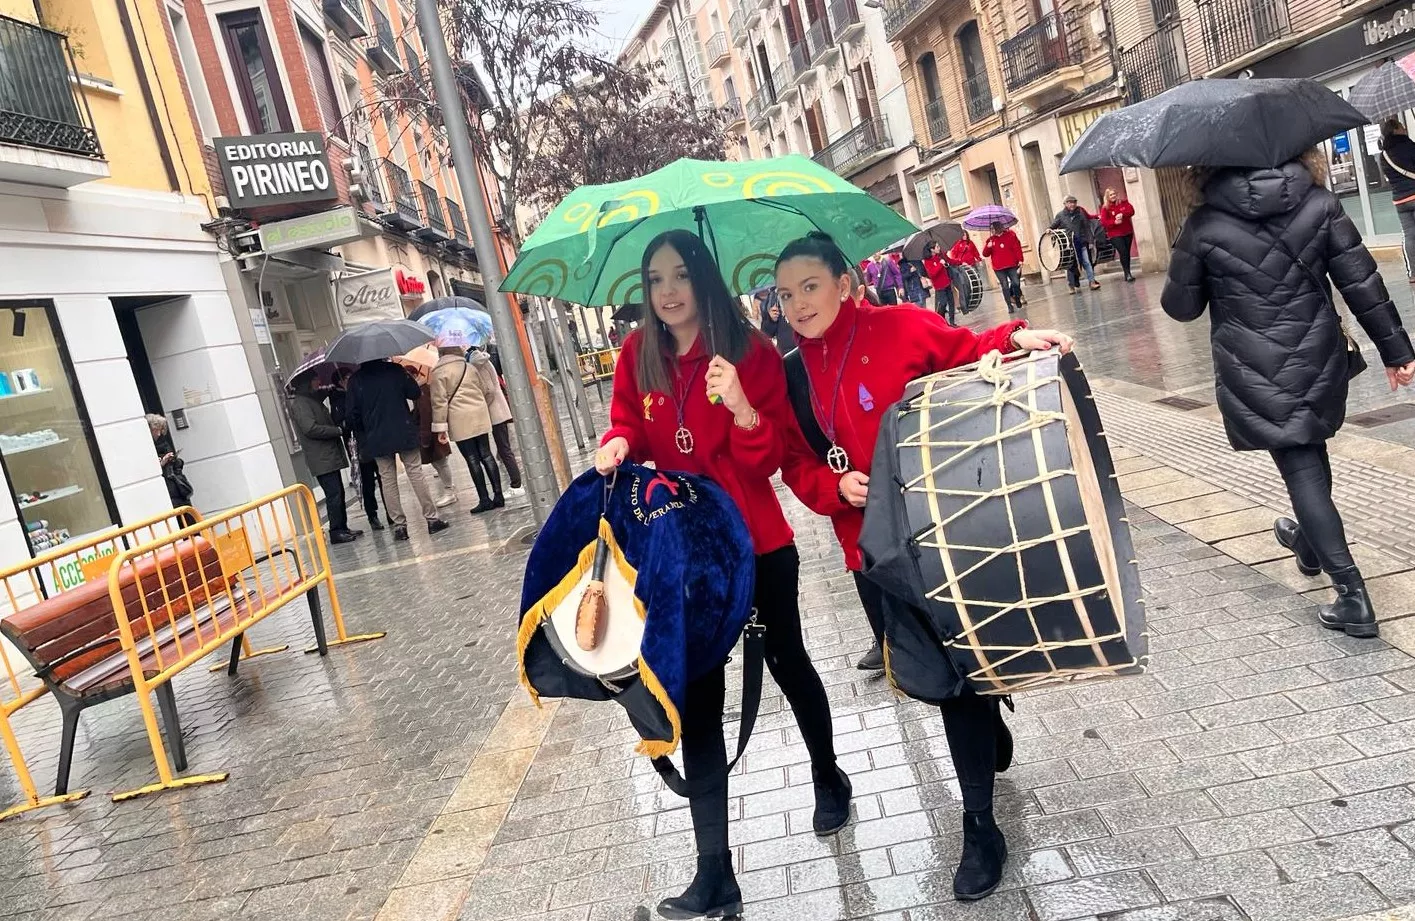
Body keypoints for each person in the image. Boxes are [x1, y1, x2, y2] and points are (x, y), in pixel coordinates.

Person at [773, 231, 1073, 902]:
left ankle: (978, 827)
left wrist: (1016, 337)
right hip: (869, 553)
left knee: (955, 678)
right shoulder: (789, 371)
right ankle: (985, 708)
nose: (797, 304)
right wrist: (829, 486)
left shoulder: (901, 326)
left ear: (844, 282)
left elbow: (970, 354)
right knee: (933, 675)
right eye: (785, 294)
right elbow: (792, 460)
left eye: (810, 286)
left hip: (946, 531)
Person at [594, 229, 849, 920]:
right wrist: (618, 442)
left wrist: (738, 403)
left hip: (758, 546)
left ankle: (828, 775)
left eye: (680, 275)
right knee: (700, 698)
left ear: (702, 277)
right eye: (655, 280)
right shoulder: (635, 355)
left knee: (790, 662)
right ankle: (715, 872)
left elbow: (766, 459)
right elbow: (630, 427)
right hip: (685, 554)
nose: (668, 291)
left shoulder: (750, 353)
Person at [1162, 151, 1415, 639]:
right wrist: (1396, 350)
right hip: (1316, 354)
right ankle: (1308, 541)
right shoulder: (1319, 204)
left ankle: (1352, 596)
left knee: (1301, 466)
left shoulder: (1204, 223)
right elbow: (1361, 282)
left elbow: (1181, 307)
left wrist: (1188, 250)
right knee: (1310, 454)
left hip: (1251, 364)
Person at [345, 358, 451, 541]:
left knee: (387, 480)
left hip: (376, 437)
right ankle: (432, 519)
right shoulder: (395, 370)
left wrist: (367, 428)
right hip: (403, 430)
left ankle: (399, 527)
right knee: (415, 473)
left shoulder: (356, 380)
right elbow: (415, 392)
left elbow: (352, 415)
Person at [431, 331, 503, 514]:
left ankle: (484, 499)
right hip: (479, 415)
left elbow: (439, 402)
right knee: (487, 454)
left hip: (459, 419)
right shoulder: (469, 367)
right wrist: (480, 406)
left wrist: (440, 428)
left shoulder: (438, 372)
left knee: (472, 458)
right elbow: (487, 390)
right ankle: (498, 495)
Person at [288, 373, 363, 544]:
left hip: (329, 455)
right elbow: (310, 428)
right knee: (333, 494)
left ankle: (342, 526)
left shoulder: (311, 400)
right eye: (315, 379)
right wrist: (336, 430)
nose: (319, 382)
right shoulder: (300, 403)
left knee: (339, 491)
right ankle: (336, 530)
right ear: (306, 383)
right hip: (321, 457)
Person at [331, 368, 384, 531]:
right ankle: (372, 515)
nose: (350, 380)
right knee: (367, 482)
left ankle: (391, 513)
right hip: (358, 447)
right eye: (347, 377)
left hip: (375, 440)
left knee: (384, 477)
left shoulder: (359, 391)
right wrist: (350, 417)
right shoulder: (337, 400)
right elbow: (342, 423)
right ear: (340, 381)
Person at [470, 344, 524, 497]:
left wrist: (482, 406)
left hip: (494, 411)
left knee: (504, 449)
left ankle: (516, 484)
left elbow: (488, 390)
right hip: (498, 409)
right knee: (504, 449)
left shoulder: (477, 363)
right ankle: (515, 483)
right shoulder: (484, 360)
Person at [404, 360, 459, 509]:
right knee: (438, 462)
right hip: (429, 430)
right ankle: (450, 489)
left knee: (440, 462)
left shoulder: (422, 390)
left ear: (414, 375)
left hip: (429, 431)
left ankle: (449, 490)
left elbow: (426, 413)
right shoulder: (421, 390)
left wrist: (425, 436)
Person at [1380, 119, 1415, 287]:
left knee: (1409, 236)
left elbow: (1389, 177)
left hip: (1400, 200)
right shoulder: (1409, 146)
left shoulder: (1384, 155)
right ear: (1395, 130)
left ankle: (1413, 273)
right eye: (1401, 126)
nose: (1404, 127)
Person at [147, 413, 195, 521]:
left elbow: (177, 464)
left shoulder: (163, 443)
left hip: (176, 486)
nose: (159, 433)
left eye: (161, 430)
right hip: (168, 489)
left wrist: (174, 461)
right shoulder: (147, 448)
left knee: (188, 517)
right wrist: (162, 463)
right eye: (156, 430)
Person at [1051, 195, 1100, 293]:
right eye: (1069, 202)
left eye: (1073, 202)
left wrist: (1090, 241)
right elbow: (1054, 226)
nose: (1072, 204)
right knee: (1071, 265)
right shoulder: (1060, 215)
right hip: (1069, 245)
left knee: (1087, 262)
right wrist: (1049, 229)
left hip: (1082, 242)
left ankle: (1092, 281)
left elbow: (1086, 227)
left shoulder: (1080, 213)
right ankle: (1071, 285)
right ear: (1065, 204)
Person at [981, 222, 1025, 314]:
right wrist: (988, 247)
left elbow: (1017, 248)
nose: (992, 230)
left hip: (1012, 264)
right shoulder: (990, 240)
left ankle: (1017, 298)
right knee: (1004, 285)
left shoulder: (1010, 235)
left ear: (998, 228)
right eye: (991, 229)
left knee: (1016, 282)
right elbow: (985, 254)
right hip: (998, 268)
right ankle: (1009, 305)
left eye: (993, 228)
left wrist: (1020, 260)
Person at [1099, 188, 1138, 283]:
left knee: (1127, 252)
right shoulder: (1105, 208)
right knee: (1123, 251)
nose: (1113, 196)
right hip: (1114, 234)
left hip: (1127, 231)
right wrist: (1114, 222)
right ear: (1107, 197)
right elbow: (1104, 222)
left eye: (1114, 194)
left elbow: (1131, 211)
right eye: (1111, 195)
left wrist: (1123, 214)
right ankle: (1127, 273)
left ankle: (1128, 271)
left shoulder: (1123, 203)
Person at [946, 234, 985, 314]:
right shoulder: (957, 244)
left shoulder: (970, 243)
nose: (964, 236)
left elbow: (975, 252)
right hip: (962, 267)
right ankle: (965, 302)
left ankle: (973, 297)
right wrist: (959, 262)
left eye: (965, 234)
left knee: (974, 282)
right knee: (965, 284)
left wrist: (979, 259)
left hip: (971, 264)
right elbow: (953, 255)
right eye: (963, 235)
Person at [923, 241, 956, 324]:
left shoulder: (940, 256)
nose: (939, 248)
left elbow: (949, 261)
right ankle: (942, 322)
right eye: (937, 247)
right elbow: (932, 273)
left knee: (951, 302)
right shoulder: (928, 261)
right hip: (939, 286)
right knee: (943, 304)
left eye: (938, 246)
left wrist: (959, 262)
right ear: (932, 249)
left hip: (947, 282)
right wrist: (940, 264)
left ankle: (952, 322)